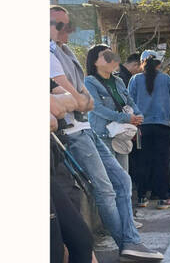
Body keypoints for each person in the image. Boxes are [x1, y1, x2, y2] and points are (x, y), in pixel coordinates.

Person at [49, 5, 163, 261]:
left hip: (87, 129)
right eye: (58, 24)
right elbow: (81, 100)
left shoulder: (67, 54)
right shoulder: (49, 54)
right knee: (105, 189)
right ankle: (126, 243)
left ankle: (131, 241)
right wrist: (79, 100)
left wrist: (79, 100)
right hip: (75, 133)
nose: (65, 30)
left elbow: (84, 101)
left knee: (122, 181)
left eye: (66, 24)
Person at [128, 52, 170, 210]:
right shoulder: (167, 80)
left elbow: (128, 102)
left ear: (141, 63)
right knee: (161, 162)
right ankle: (162, 198)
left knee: (143, 161)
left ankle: (141, 197)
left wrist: (132, 123)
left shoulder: (135, 80)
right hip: (163, 126)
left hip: (142, 126)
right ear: (159, 64)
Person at [50, 83, 97, 263]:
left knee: (81, 240)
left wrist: (57, 103)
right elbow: (54, 117)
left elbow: (71, 102)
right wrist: (56, 102)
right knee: (54, 249)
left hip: (53, 162)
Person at [85, 45, 144, 172]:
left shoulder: (118, 81)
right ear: (95, 61)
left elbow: (130, 102)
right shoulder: (90, 81)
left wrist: (138, 116)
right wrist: (126, 118)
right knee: (111, 178)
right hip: (103, 135)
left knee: (124, 175)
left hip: (121, 134)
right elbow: (97, 108)